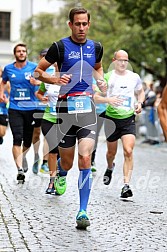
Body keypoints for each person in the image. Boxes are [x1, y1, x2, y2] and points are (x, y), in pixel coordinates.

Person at [34, 7, 106, 229]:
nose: (81, 28)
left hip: (87, 109)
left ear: (89, 24)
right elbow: (38, 72)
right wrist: (54, 80)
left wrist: (100, 81)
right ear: (70, 25)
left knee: (85, 159)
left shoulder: (97, 47)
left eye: (85, 24)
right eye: (77, 24)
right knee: (67, 160)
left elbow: (99, 68)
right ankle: (62, 173)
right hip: (64, 109)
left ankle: (82, 210)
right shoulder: (60, 47)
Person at [94, 50, 145, 198]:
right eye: (120, 60)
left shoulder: (134, 77)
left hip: (128, 119)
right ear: (114, 60)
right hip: (111, 120)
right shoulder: (107, 77)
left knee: (128, 151)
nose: (123, 63)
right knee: (111, 153)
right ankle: (110, 167)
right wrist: (108, 100)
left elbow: (140, 92)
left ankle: (126, 185)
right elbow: (96, 97)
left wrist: (140, 103)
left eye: (125, 60)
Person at [0, 43, 39, 182]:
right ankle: (20, 169)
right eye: (19, 51)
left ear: (26, 53)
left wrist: (37, 83)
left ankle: (23, 158)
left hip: (31, 108)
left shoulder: (34, 67)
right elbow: (3, 82)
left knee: (27, 141)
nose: (21, 53)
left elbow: (42, 81)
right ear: (15, 54)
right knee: (17, 138)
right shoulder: (8, 69)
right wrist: (1, 93)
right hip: (15, 108)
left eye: (23, 51)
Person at [35, 70, 60, 194]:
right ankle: (52, 180)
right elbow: (39, 93)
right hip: (48, 118)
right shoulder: (48, 78)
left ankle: (61, 173)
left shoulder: (73, 78)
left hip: (65, 120)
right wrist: (42, 97)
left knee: (63, 151)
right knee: (53, 150)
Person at [31, 49, 50, 174]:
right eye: (43, 56)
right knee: (36, 134)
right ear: (39, 57)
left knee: (48, 137)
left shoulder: (55, 70)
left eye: (47, 57)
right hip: (36, 107)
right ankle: (36, 156)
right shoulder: (35, 71)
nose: (45, 59)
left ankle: (45, 162)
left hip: (49, 109)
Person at [91, 78, 106, 172]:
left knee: (95, 135)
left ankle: (92, 160)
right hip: (89, 110)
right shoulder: (87, 76)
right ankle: (85, 158)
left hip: (100, 111)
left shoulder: (104, 79)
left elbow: (106, 92)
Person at [0, 67, 10, 144]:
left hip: (3, 110)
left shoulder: (6, 84)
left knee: (2, 133)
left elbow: (12, 96)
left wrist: (7, 101)